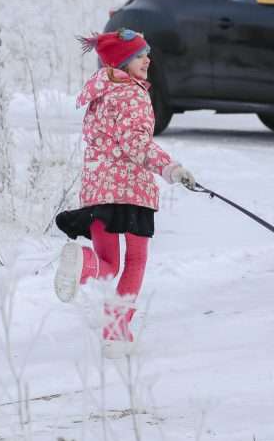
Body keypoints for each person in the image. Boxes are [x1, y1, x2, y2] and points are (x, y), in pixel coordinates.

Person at [54, 29, 195, 358]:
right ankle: (116, 334)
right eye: (139, 56)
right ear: (122, 62)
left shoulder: (102, 92)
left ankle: (84, 263)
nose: (147, 60)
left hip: (97, 190)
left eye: (147, 54)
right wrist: (170, 168)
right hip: (130, 190)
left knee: (107, 263)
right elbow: (136, 145)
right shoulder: (132, 95)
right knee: (135, 260)